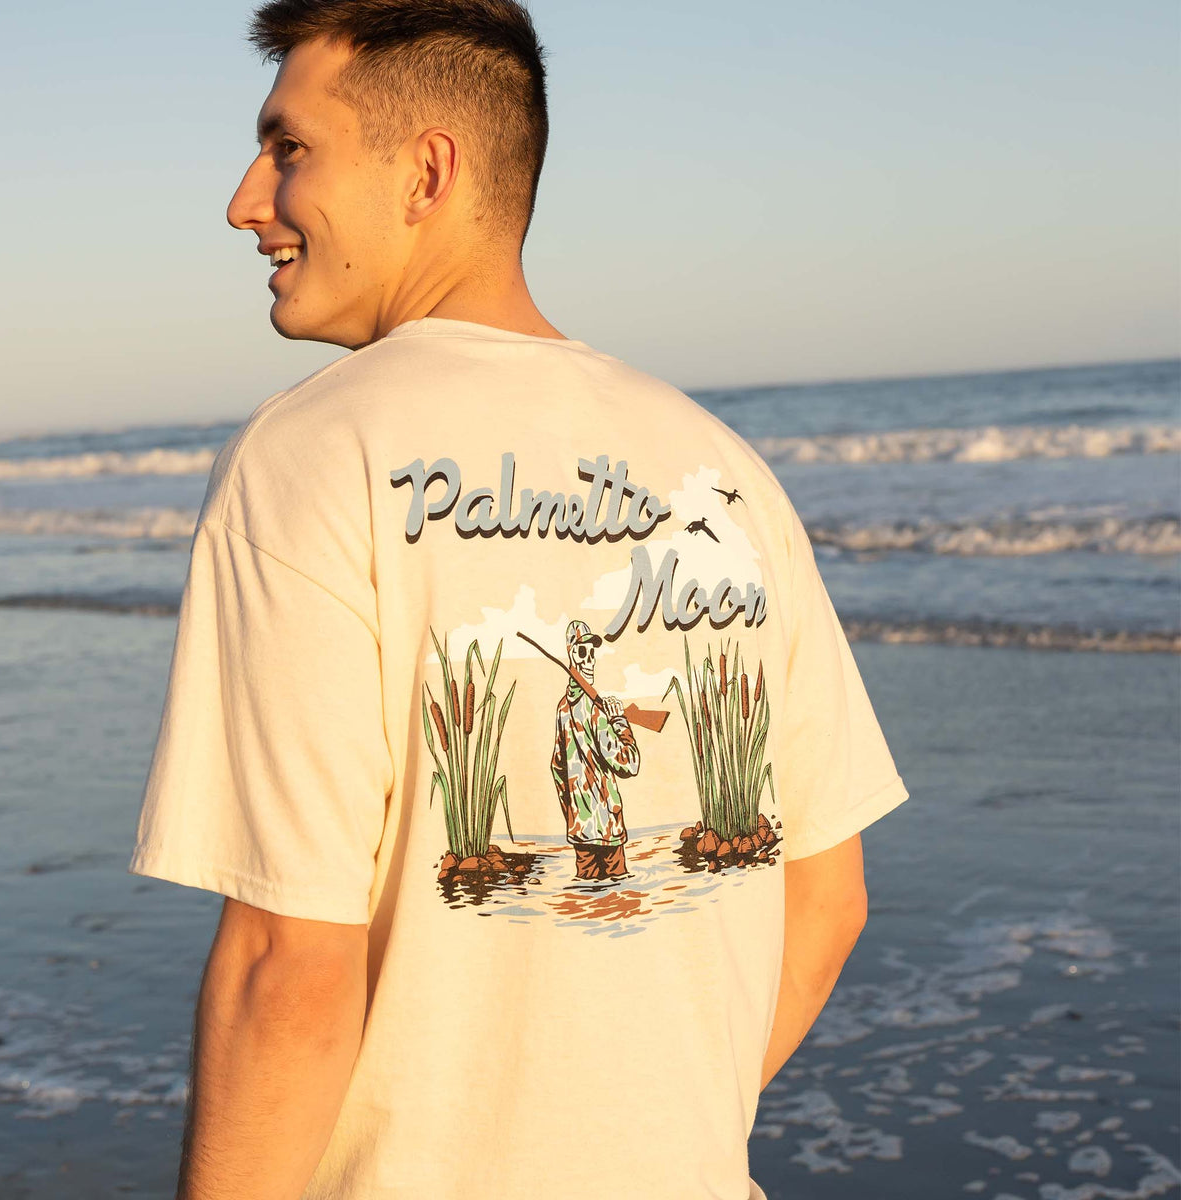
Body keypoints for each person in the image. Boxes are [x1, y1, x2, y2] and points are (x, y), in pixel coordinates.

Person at [126, 2, 911, 1198]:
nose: (246, 200)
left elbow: (289, 964)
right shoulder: (724, 466)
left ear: (427, 171)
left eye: (290, 149)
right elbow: (830, 898)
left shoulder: (313, 456)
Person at [550, 619, 639, 882]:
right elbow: (629, 763)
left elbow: (557, 767)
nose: (589, 660)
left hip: (580, 828)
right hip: (608, 827)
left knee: (586, 897)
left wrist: (573, 813)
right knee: (618, 900)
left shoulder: (562, 708)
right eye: (582, 652)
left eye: (592, 654)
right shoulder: (597, 710)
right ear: (571, 655)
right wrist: (620, 722)